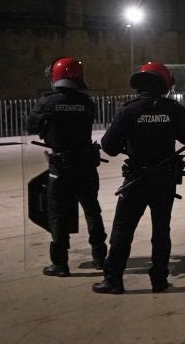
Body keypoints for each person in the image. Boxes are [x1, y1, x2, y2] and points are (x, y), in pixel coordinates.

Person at [92, 61, 185, 294]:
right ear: (165, 85)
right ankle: (159, 280)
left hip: (136, 180)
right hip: (164, 180)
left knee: (123, 230)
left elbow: (109, 147)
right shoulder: (173, 109)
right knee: (161, 230)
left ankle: (113, 280)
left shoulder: (129, 110)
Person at [27, 57, 107, 278]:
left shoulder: (47, 102)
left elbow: (31, 125)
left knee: (58, 213)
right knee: (92, 210)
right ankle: (101, 257)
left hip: (61, 166)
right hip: (85, 164)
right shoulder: (87, 102)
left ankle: (60, 263)